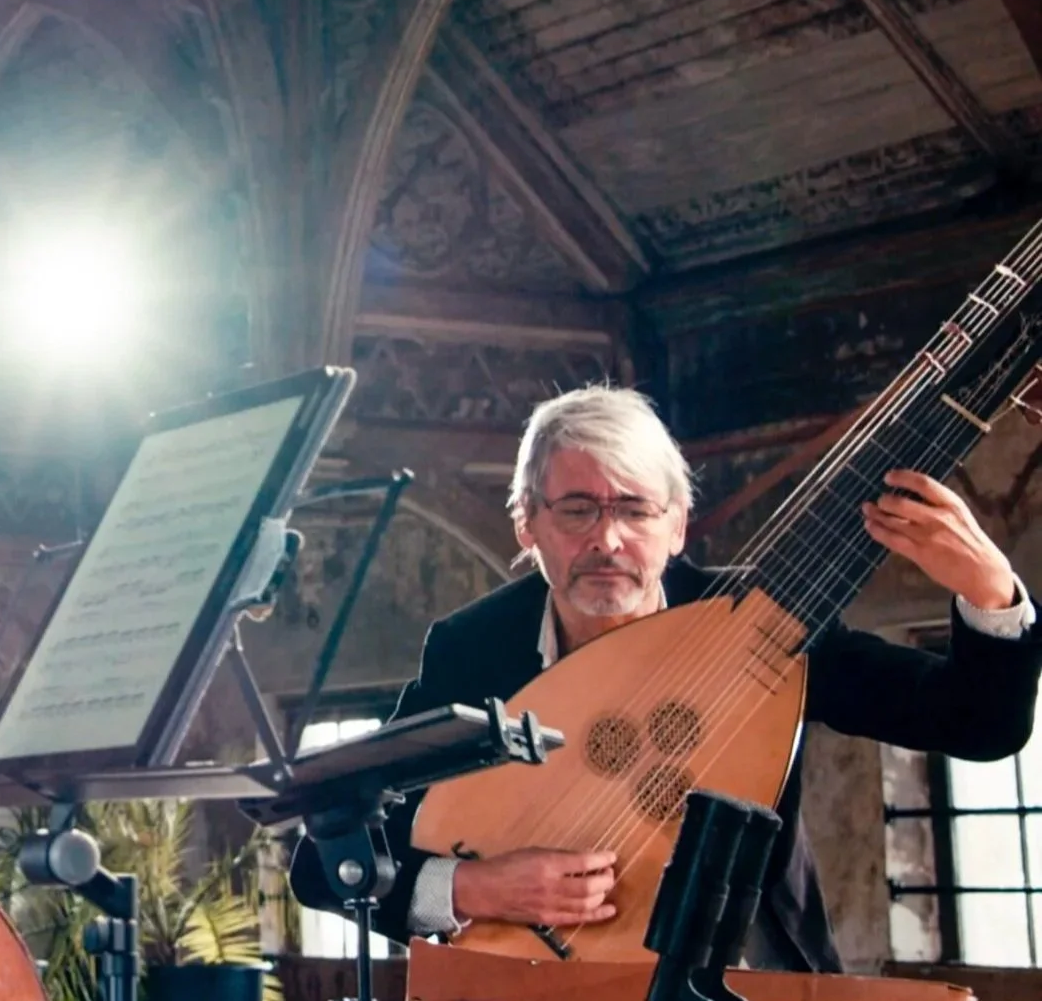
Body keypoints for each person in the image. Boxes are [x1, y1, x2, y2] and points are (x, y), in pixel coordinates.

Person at [292, 384, 1042, 971]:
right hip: (538, 994)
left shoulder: (764, 624)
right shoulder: (472, 649)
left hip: (743, 987)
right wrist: (477, 889)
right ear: (528, 523)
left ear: (678, 525)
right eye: (577, 510)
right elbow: (327, 862)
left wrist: (991, 594)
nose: (607, 540)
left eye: (634, 509)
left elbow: (978, 726)